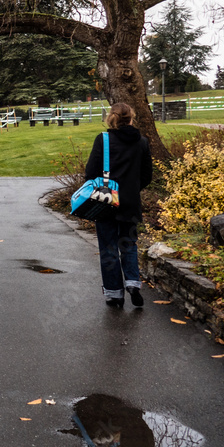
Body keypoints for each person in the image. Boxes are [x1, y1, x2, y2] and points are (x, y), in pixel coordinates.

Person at [84, 103, 154, 308]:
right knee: (129, 244)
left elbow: (90, 173)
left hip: (106, 203)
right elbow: (147, 175)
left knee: (108, 248)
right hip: (131, 203)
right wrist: (132, 189)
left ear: (111, 118)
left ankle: (114, 294)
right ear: (131, 118)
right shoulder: (142, 142)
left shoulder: (103, 140)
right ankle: (132, 282)